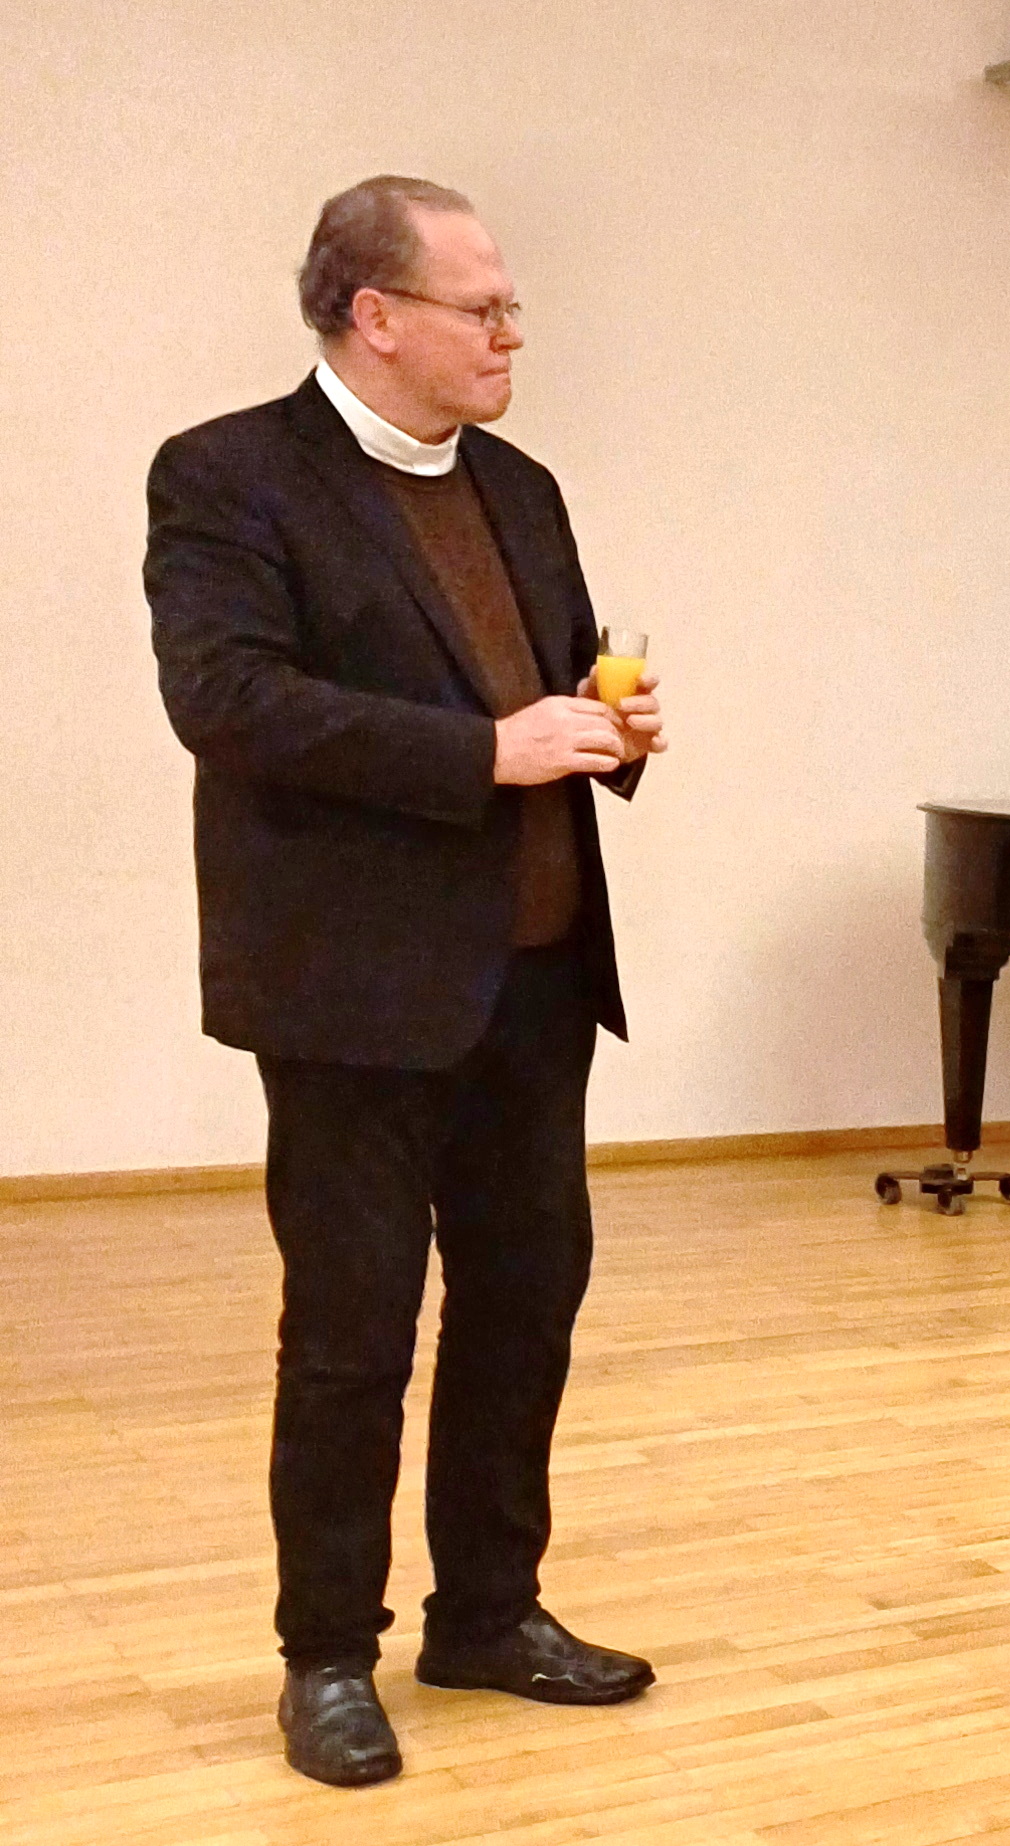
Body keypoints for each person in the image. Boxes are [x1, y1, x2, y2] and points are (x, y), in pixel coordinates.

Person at [145, 176, 667, 1788]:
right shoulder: (228, 474)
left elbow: (548, 683)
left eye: (510, 307)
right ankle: (325, 1655)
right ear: (375, 315)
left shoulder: (520, 484)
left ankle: (488, 1613)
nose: (511, 333)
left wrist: (610, 730)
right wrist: (483, 750)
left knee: (525, 1306)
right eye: (481, 307)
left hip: (534, 978)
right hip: (353, 992)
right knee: (352, 1331)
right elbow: (228, 700)